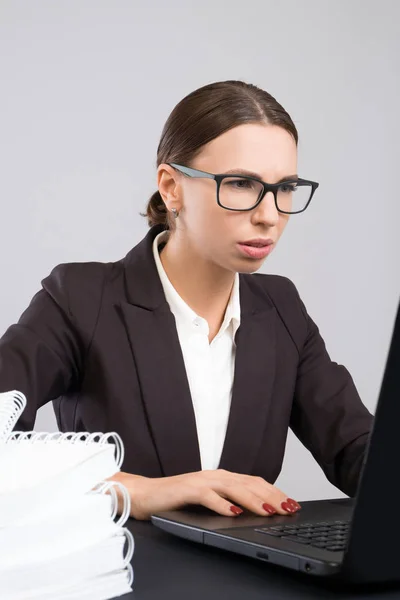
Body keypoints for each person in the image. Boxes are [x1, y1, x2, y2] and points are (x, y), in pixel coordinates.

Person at [0, 80, 373, 521]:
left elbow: (357, 448)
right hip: (122, 575)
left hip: (250, 579)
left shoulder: (281, 308)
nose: (269, 215)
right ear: (171, 187)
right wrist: (131, 491)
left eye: (286, 187)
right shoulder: (81, 299)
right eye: (240, 183)